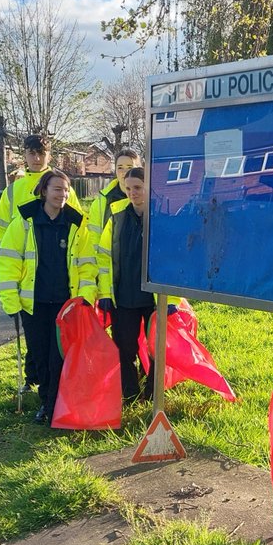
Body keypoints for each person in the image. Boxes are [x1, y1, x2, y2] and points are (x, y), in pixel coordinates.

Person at [0, 169, 97, 424]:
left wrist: (85, 297)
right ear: (44, 191)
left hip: (66, 305)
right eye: (56, 189)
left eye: (65, 190)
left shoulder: (77, 224)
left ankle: (53, 407)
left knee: (58, 358)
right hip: (34, 303)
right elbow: (8, 262)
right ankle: (47, 400)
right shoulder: (24, 222)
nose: (62, 195)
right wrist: (10, 298)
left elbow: (87, 265)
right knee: (40, 357)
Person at [0, 134, 83, 391]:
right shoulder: (13, 189)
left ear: (48, 156)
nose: (36, 158)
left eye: (41, 153)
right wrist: (6, 270)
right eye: (32, 153)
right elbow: (1, 230)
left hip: (56, 276)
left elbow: (75, 224)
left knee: (54, 344)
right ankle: (35, 379)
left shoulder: (64, 186)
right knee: (35, 339)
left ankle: (48, 386)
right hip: (25, 275)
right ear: (25, 155)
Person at [97, 167, 164, 403]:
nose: (132, 193)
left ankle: (154, 393)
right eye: (128, 188)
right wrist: (105, 293)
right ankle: (130, 394)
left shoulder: (162, 217)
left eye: (137, 187)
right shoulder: (117, 216)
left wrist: (172, 301)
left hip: (155, 299)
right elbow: (103, 257)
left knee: (157, 349)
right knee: (124, 348)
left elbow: (174, 261)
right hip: (124, 297)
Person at [84, 148, 141, 255]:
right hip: (110, 267)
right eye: (120, 168)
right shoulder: (102, 202)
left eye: (130, 167)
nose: (124, 172)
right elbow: (93, 239)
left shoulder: (149, 200)